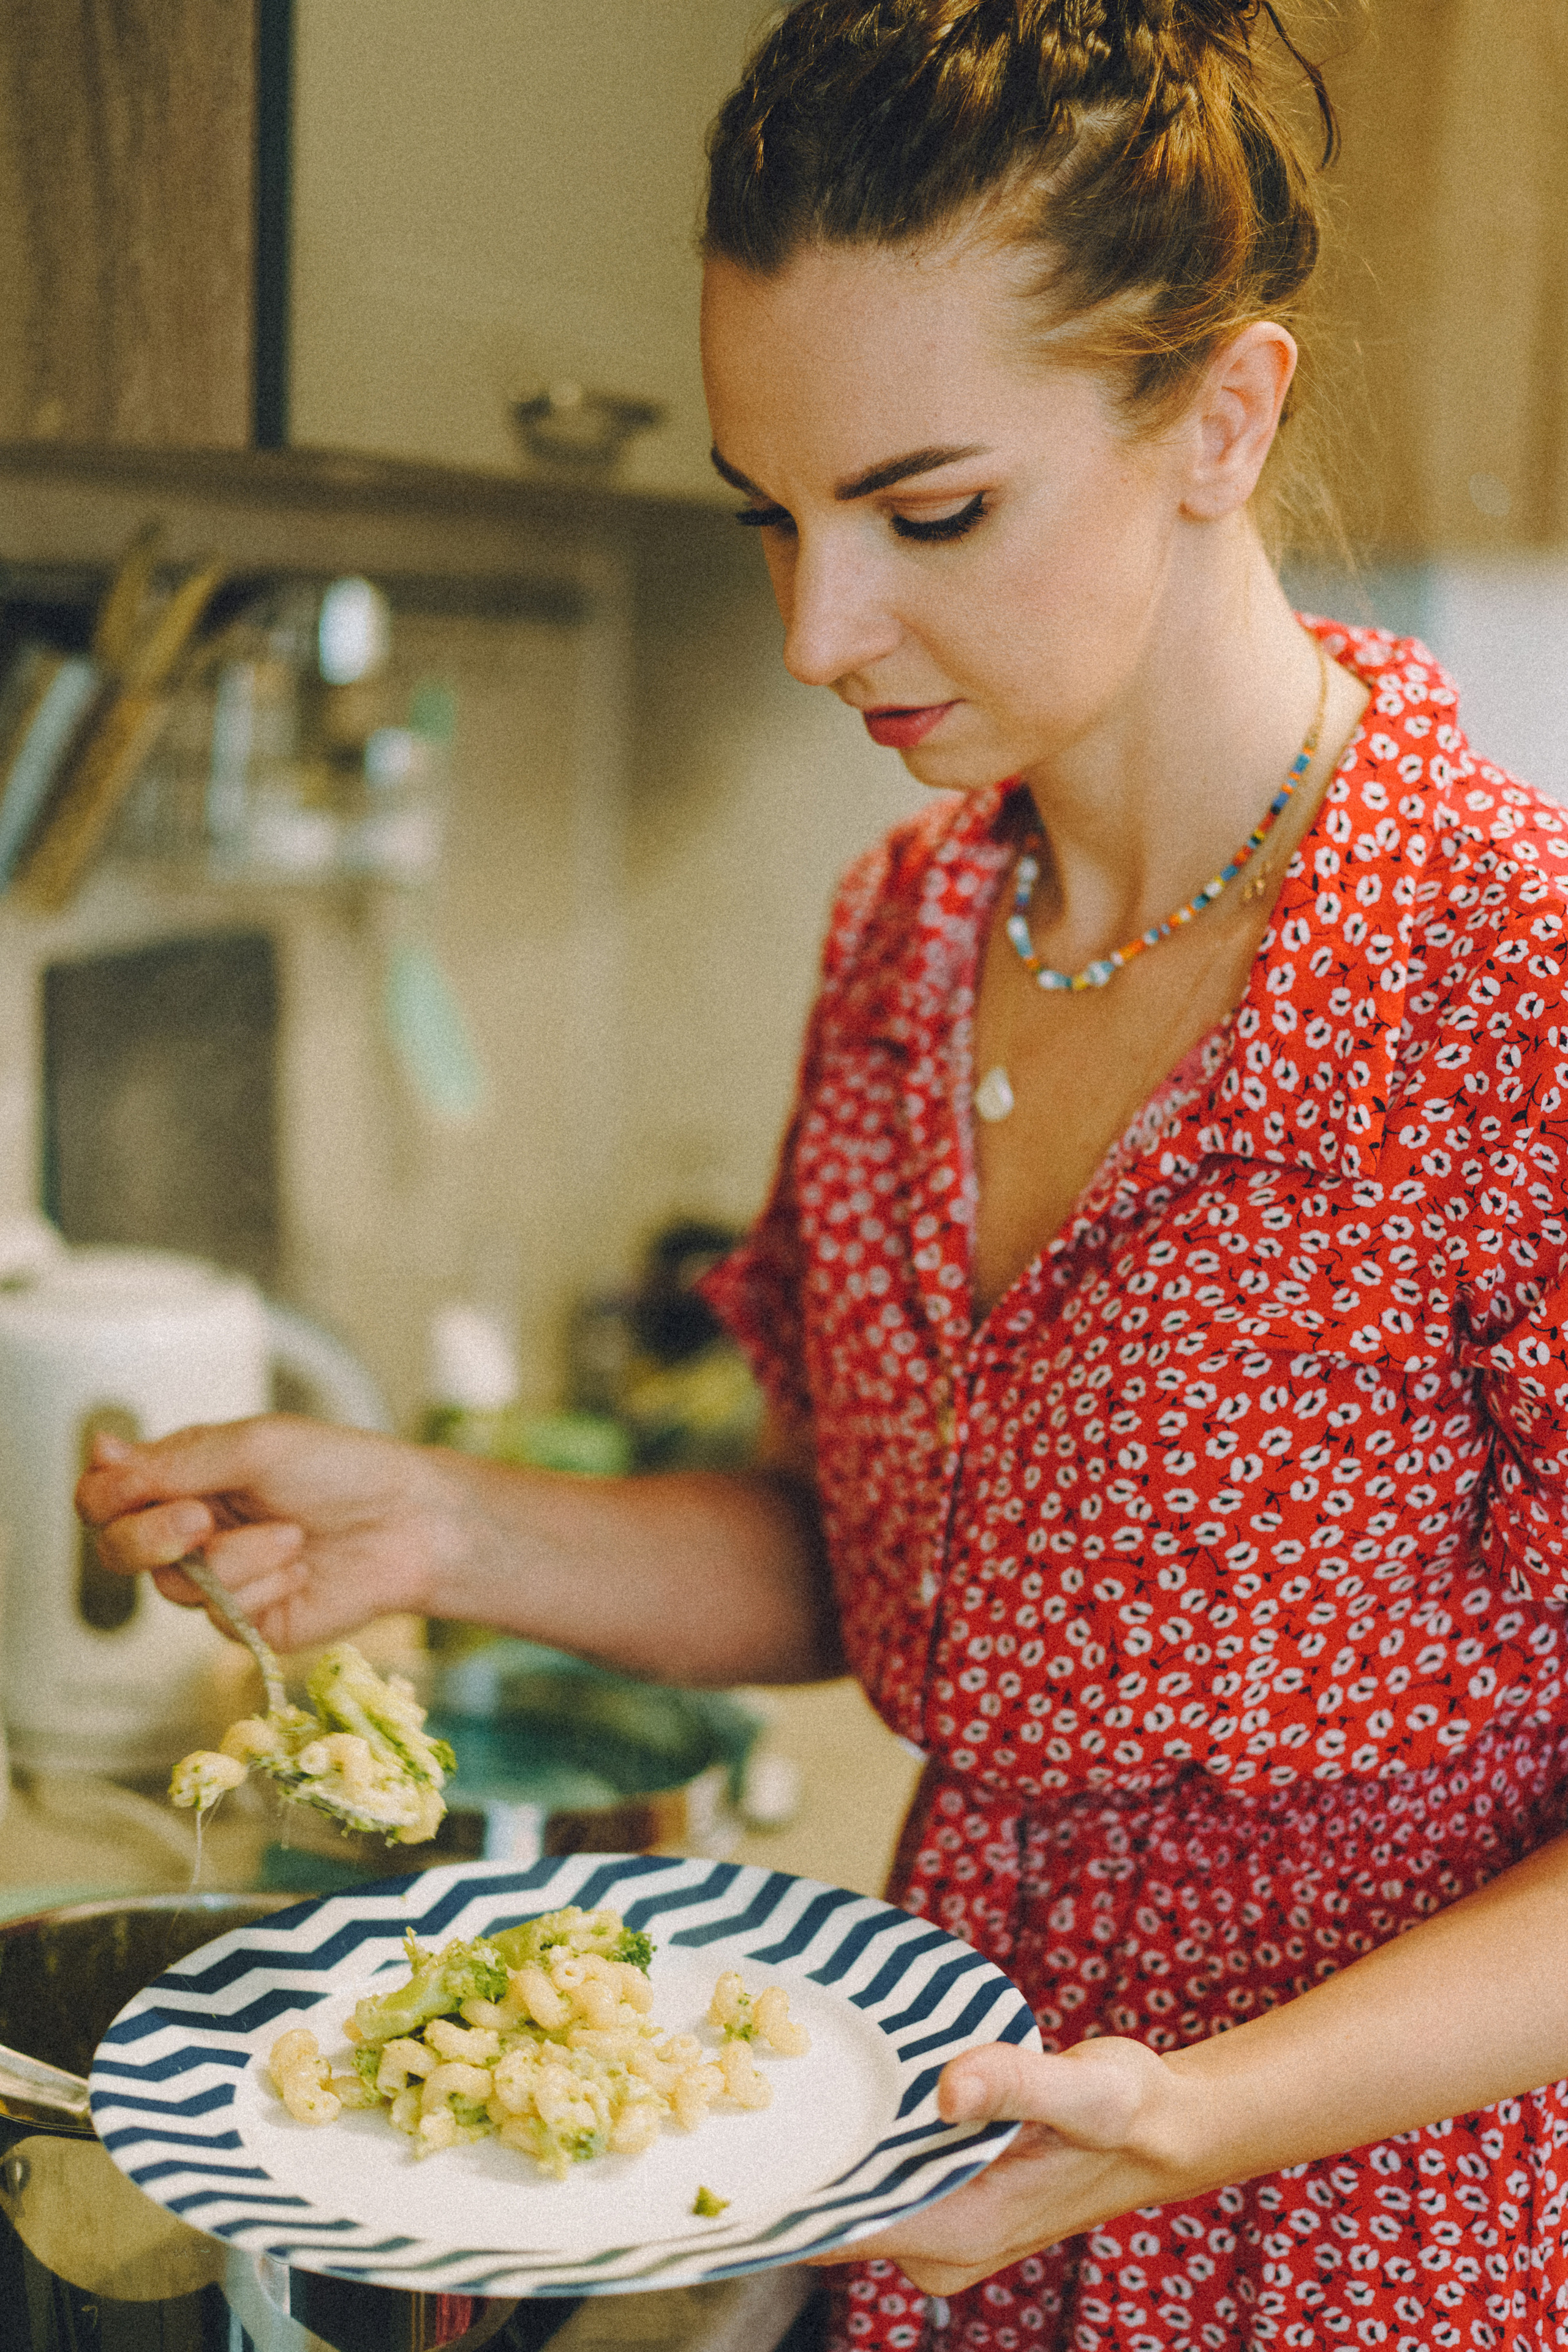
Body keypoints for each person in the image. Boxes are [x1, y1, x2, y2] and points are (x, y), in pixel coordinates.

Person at [78, 3, 1568, 2347]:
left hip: (1377, 2248)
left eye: (930, 508)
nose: (815, 629)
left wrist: (1201, 2112)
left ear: (1224, 418)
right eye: (768, 513)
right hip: (944, 2183)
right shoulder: (900, 948)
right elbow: (889, 1571)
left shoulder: (1505, 982)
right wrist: (444, 1525)